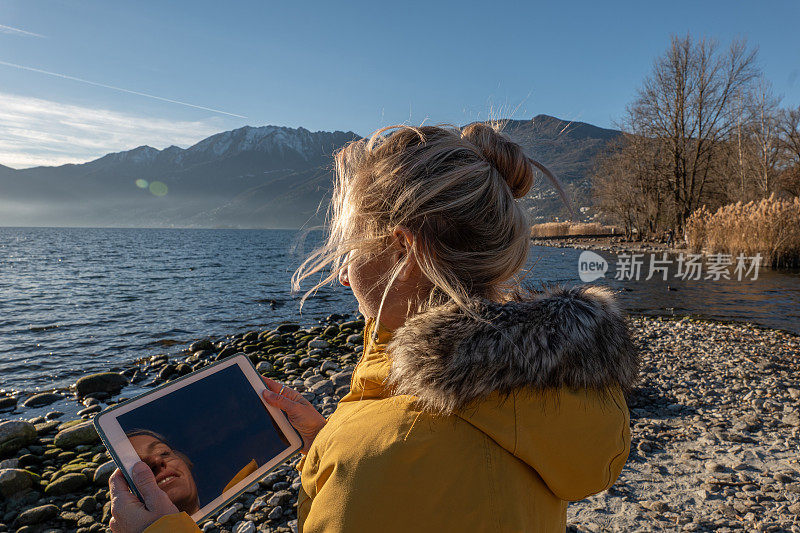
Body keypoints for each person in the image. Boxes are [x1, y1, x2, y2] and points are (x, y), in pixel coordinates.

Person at [109, 123, 640, 532]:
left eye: (350, 250)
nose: (341, 274)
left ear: (405, 251)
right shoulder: (542, 391)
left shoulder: (385, 454)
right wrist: (327, 440)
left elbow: (400, 467)